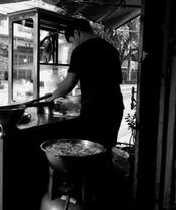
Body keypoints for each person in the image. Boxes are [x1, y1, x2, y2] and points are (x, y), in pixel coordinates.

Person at [47, 17, 124, 156]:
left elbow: (69, 83)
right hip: (115, 109)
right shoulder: (111, 49)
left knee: (90, 152)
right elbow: (109, 82)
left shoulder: (81, 51)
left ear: (76, 33)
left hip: (96, 113)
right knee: (106, 151)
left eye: (72, 41)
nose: (73, 45)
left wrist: (51, 97)